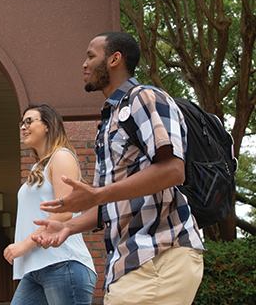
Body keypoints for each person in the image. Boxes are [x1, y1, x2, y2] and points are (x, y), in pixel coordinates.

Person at [31, 32, 204, 305]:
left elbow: (173, 169)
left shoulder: (145, 98)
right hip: (130, 263)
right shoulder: (109, 120)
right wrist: (69, 227)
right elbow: (113, 202)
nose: (84, 65)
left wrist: (98, 195)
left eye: (91, 56)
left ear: (114, 59)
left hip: (160, 253)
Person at [3, 104, 97, 305]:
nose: (23, 127)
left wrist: (23, 245)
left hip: (63, 263)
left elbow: (65, 212)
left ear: (48, 126)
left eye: (29, 121)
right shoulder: (38, 167)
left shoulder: (61, 156)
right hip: (36, 269)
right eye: (22, 123)